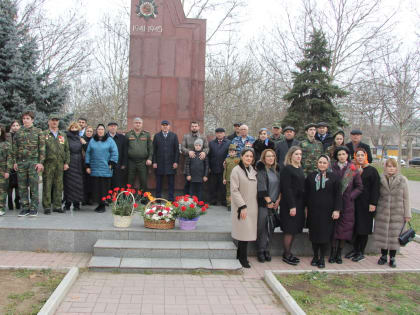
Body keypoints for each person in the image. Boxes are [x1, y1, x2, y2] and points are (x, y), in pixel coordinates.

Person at [305, 155, 341, 268]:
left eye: (324, 163)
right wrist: (306, 208)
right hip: (314, 211)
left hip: (328, 212)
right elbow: (306, 194)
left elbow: (338, 195)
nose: (322, 164)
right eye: (320, 162)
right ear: (317, 163)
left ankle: (322, 258)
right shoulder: (311, 177)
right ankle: (315, 256)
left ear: (328, 164)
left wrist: (337, 210)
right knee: (314, 235)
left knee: (325, 236)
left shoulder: (334, 177)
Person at [374, 158, 411, 268]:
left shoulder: (402, 180)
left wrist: (407, 214)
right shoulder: (380, 179)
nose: (391, 168)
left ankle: (393, 257)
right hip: (383, 211)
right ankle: (383, 256)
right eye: (389, 166)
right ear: (385, 167)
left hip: (397, 213)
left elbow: (406, 198)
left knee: (395, 236)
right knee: (383, 234)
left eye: (393, 166)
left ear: (396, 168)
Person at [346, 148, 380, 262]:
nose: (360, 157)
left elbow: (376, 189)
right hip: (354, 203)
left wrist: (373, 203)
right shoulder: (353, 169)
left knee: (363, 228)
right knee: (355, 227)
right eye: (358, 155)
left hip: (366, 204)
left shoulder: (372, 171)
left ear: (365, 156)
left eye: (362, 155)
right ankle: (355, 249)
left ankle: (361, 251)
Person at [330, 146, 363, 264]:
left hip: (348, 204)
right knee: (334, 229)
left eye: (343, 154)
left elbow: (359, 187)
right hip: (334, 203)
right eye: (339, 154)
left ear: (347, 155)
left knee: (344, 230)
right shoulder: (332, 168)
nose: (341, 156)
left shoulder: (352, 169)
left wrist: (351, 196)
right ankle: (332, 253)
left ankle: (339, 253)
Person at [12, 111, 45, 217]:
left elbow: (42, 148)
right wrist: (15, 162)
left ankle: (34, 207)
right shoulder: (19, 132)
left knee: (34, 186)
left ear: (32, 120)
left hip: (33, 162)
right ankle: (25, 207)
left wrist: (40, 163)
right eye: (24, 118)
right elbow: (14, 148)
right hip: (21, 163)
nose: (25, 120)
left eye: (27, 118)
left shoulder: (38, 131)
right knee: (22, 187)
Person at [230, 148, 258, 268]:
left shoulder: (252, 170)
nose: (249, 158)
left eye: (251, 156)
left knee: (247, 232)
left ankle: (240, 255)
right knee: (243, 232)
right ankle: (242, 257)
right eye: (246, 156)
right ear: (241, 156)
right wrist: (242, 206)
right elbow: (234, 190)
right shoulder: (236, 170)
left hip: (252, 206)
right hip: (242, 206)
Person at [280, 146, 306, 265]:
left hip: (299, 203)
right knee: (289, 230)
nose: (299, 156)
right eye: (296, 154)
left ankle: (289, 252)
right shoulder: (287, 169)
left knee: (295, 229)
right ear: (290, 155)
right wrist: (292, 206)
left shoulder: (300, 168)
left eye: (300, 154)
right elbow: (286, 189)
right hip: (290, 203)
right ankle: (286, 254)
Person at [85, 124, 119, 213]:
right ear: (96, 131)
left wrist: (111, 163)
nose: (100, 131)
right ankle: (99, 204)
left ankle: (103, 204)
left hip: (105, 168)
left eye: (102, 129)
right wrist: (87, 165)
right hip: (95, 168)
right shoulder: (92, 140)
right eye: (99, 129)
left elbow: (115, 152)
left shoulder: (110, 140)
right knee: (96, 188)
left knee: (104, 188)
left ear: (104, 131)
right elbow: (88, 153)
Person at [256, 149, 281, 263]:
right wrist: (269, 201)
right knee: (262, 227)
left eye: (272, 156)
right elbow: (261, 187)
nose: (271, 158)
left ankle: (266, 249)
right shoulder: (261, 169)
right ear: (264, 158)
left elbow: (280, 187)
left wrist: (278, 200)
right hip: (264, 204)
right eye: (268, 156)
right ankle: (260, 250)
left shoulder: (276, 170)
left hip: (274, 204)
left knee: (270, 228)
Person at [42, 114, 70, 215]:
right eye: (52, 120)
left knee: (59, 185)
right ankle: (47, 206)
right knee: (47, 185)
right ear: (49, 122)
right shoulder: (44, 134)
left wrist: (66, 162)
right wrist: (41, 163)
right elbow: (40, 150)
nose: (54, 122)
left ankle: (57, 206)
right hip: (48, 164)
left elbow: (67, 150)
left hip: (60, 164)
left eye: (56, 120)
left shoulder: (62, 135)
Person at [152, 120, 179, 202]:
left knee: (171, 183)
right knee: (159, 182)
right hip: (159, 163)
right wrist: (154, 162)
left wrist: (176, 162)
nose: (165, 126)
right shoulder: (157, 136)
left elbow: (176, 150)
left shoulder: (174, 136)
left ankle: (170, 199)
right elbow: (154, 150)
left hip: (171, 163)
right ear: (161, 126)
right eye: (163, 125)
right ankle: (158, 199)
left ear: (169, 126)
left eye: (166, 125)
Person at [181, 121, 209, 195]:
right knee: (188, 184)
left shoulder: (203, 137)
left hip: (200, 165)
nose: (194, 127)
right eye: (193, 126)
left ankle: (198, 201)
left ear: (198, 127)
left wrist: (204, 152)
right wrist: (188, 151)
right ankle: (187, 202)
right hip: (189, 164)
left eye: (196, 126)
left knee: (199, 187)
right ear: (190, 127)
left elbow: (207, 148)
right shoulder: (186, 136)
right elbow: (182, 148)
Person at [126, 117, 153, 191]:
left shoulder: (146, 134)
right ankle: (128, 198)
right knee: (129, 181)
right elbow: (125, 148)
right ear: (133, 124)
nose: (138, 124)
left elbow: (150, 148)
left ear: (142, 124)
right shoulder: (128, 134)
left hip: (143, 162)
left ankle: (143, 200)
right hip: (131, 161)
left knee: (143, 181)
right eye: (136, 123)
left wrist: (150, 158)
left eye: (139, 123)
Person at [63, 122, 85, 211]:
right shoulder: (66, 137)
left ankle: (76, 203)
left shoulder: (80, 138)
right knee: (68, 184)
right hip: (70, 161)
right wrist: (65, 162)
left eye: (76, 127)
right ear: (70, 128)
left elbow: (86, 149)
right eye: (72, 127)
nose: (74, 129)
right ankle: (67, 203)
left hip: (79, 162)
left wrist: (84, 143)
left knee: (78, 184)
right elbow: (64, 150)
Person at [208, 128, 230, 206]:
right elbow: (208, 156)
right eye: (217, 133)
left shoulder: (228, 143)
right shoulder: (211, 143)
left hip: (224, 168)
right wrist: (209, 167)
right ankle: (213, 200)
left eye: (221, 133)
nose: (219, 134)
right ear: (216, 134)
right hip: (213, 167)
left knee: (223, 186)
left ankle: (224, 201)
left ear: (224, 134)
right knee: (213, 185)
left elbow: (230, 155)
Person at [107, 122, 127, 188]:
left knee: (117, 184)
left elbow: (125, 151)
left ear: (117, 127)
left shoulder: (122, 138)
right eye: (111, 126)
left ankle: (116, 197)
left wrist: (124, 164)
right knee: (107, 183)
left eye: (114, 126)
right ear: (108, 127)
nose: (113, 127)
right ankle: (107, 198)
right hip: (106, 164)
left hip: (118, 164)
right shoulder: (104, 137)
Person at [7, 120, 20, 211]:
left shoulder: (21, 135)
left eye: (17, 125)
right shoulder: (7, 136)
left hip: (19, 162)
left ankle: (17, 201)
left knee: (19, 184)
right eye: (13, 125)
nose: (15, 127)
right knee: (9, 185)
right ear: (11, 126)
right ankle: (10, 202)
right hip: (8, 162)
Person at [223, 144, 240, 211]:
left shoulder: (238, 160)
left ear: (235, 152)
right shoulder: (226, 160)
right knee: (228, 192)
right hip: (228, 179)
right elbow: (225, 170)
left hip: (236, 179)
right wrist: (224, 178)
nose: (231, 153)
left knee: (236, 191)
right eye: (230, 152)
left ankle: (236, 204)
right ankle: (229, 204)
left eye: (233, 152)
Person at [0, 126, 12, 216]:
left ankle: (1, 208)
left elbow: (9, 158)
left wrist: (8, 170)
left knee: (2, 190)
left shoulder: (6, 144)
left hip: (3, 170)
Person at [82, 126, 94, 205]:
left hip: (92, 163)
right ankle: (83, 199)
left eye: (90, 131)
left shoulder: (94, 140)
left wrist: (85, 143)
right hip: (82, 163)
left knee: (91, 182)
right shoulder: (81, 139)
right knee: (84, 182)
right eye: (87, 131)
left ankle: (90, 198)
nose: (89, 132)